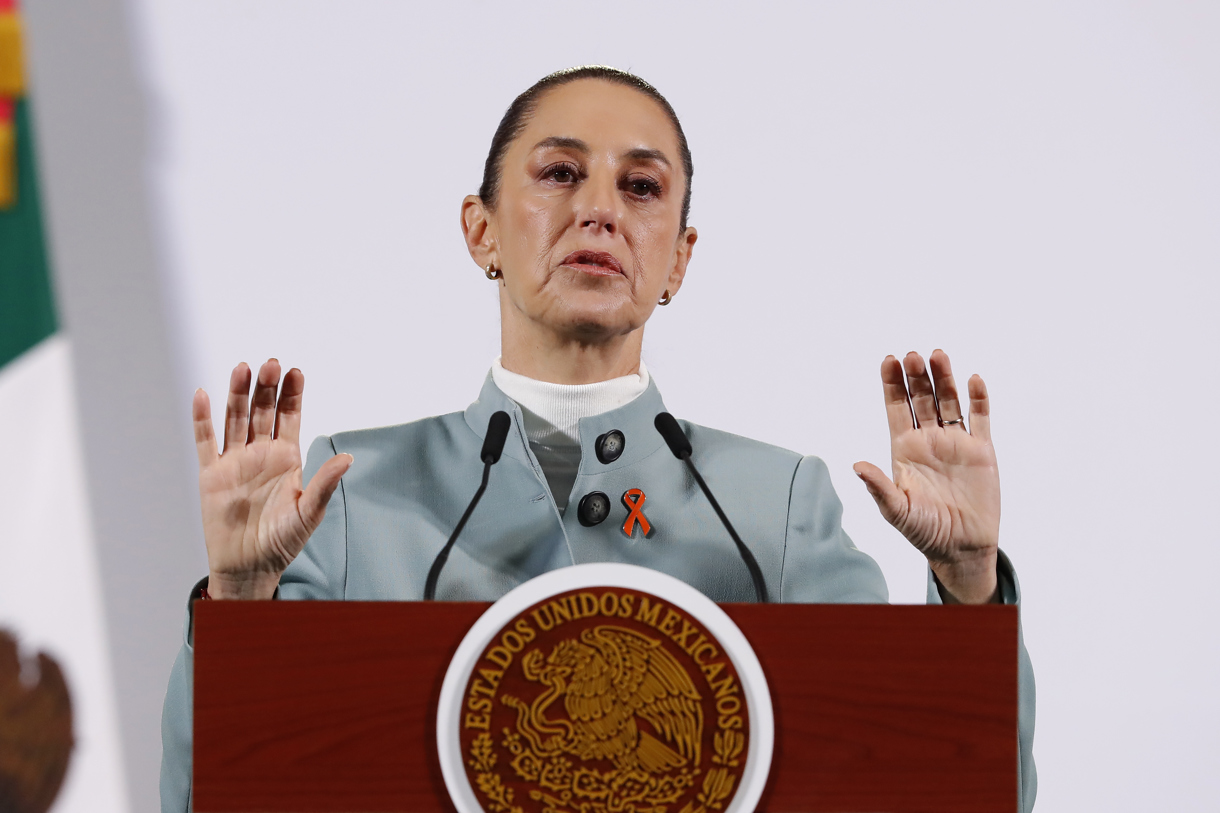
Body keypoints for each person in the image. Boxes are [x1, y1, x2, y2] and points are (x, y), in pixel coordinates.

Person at [160, 66, 1036, 811]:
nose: (600, 211)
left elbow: (936, 787)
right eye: (559, 174)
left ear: (679, 259)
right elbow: (216, 795)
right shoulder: (351, 492)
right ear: (481, 230)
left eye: (642, 187)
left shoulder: (775, 505)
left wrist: (967, 589)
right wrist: (238, 602)